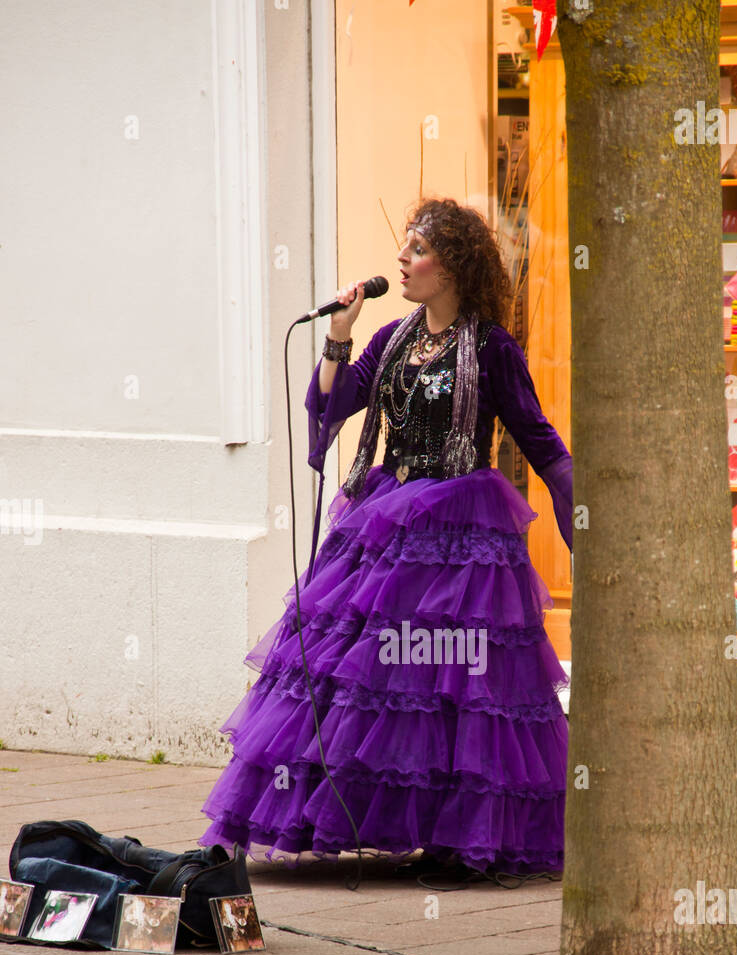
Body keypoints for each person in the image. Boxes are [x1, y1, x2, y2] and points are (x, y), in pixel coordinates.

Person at [198, 198, 573, 877]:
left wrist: (588, 525)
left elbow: (540, 444)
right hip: (385, 521)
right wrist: (339, 335)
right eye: (404, 247)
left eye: (418, 249)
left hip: (461, 534)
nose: (401, 259)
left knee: (459, 687)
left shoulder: (490, 347)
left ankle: (462, 839)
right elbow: (331, 407)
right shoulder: (392, 338)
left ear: (453, 266)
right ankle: (345, 816)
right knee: (369, 683)